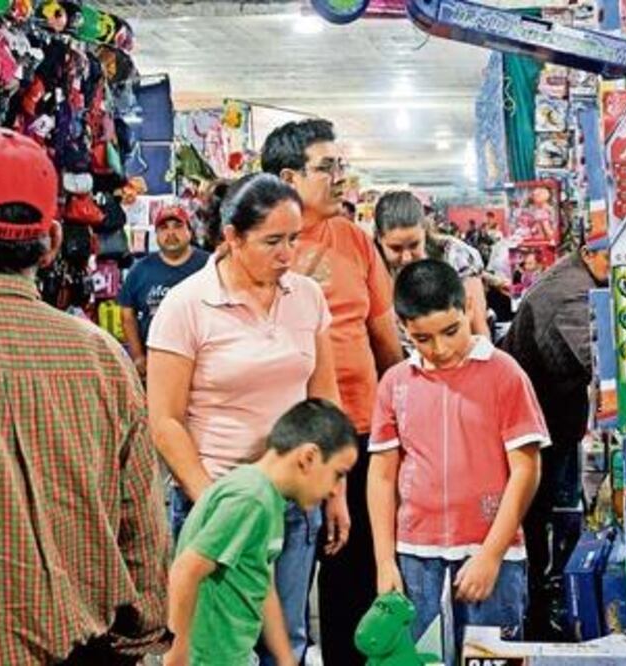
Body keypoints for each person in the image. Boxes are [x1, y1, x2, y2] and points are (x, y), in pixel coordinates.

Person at [0, 127, 170, 663]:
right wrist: (138, 637)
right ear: (50, 242)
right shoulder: (101, 358)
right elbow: (141, 530)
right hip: (83, 648)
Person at [147, 173, 341, 665]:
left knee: (286, 640)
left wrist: (333, 487)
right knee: (217, 646)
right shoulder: (186, 305)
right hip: (214, 498)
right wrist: (215, 501)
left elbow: (323, 398)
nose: (287, 255)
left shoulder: (306, 297)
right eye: (272, 241)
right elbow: (165, 420)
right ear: (232, 238)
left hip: (294, 502)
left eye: (294, 240)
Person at [262, 118, 403, 666]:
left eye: (340, 166)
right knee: (284, 587)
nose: (340, 178)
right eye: (328, 167)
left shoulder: (352, 238)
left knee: (354, 583)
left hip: (360, 433)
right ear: (289, 177)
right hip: (292, 446)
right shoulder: (264, 246)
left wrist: (397, 410)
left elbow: (382, 330)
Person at [368, 260, 548, 666]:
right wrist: (384, 562)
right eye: (422, 339)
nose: (441, 348)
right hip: (416, 554)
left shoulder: (505, 374)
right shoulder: (395, 383)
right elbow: (381, 476)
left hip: (491, 553)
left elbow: (526, 469)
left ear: (468, 308)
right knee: (422, 658)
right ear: (403, 327)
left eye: (450, 331)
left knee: (493, 658)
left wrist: (491, 554)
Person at [166, 399, 358, 666]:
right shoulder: (251, 499)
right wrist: (177, 655)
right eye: (338, 474)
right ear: (309, 457)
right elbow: (185, 570)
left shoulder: (268, 498)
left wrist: (285, 658)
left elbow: (262, 584)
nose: (336, 489)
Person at [499, 240, 610, 640]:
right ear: (588, 252)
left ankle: (548, 593)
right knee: (539, 514)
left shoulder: (580, 279)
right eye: (612, 257)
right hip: (535, 424)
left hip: (547, 421)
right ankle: (543, 604)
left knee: (548, 511)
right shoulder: (570, 293)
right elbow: (595, 359)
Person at [373, 190, 490, 339]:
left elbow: (478, 329)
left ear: (425, 231)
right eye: (395, 248)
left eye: (414, 245)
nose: (406, 258)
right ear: (379, 238)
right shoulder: (371, 267)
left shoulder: (456, 255)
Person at [118, 204, 209, 380]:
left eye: (178, 226)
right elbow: (127, 315)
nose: (171, 233)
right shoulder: (140, 270)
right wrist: (137, 356)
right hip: (156, 364)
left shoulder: (209, 265)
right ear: (156, 235)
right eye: (163, 228)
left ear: (189, 231)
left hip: (203, 363)